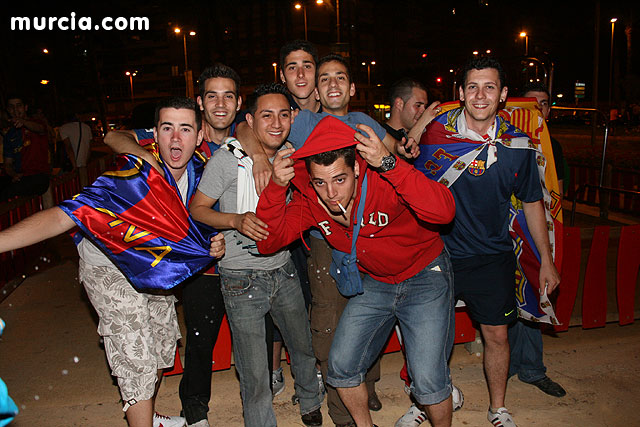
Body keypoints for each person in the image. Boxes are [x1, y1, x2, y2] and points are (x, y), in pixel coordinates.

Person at [0, 97, 226, 427]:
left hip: (153, 268)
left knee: (163, 345)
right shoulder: (132, 175)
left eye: (185, 129)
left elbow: (203, 219)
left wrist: (212, 241)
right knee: (136, 353)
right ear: (155, 134)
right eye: (167, 129)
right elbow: (64, 216)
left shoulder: (202, 171)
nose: (176, 138)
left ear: (200, 134)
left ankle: (151, 415)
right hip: (109, 265)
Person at [256, 115, 456, 427]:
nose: (331, 193)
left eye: (339, 179)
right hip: (377, 282)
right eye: (320, 182)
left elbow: (444, 212)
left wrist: (390, 163)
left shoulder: (384, 179)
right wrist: (274, 188)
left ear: (358, 168)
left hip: (424, 274)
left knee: (428, 380)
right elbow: (267, 243)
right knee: (341, 366)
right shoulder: (312, 200)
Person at [418, 57, 561, 427]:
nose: (480, 95)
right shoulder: (436, 136)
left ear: (503, 95)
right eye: (472, 87)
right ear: (460, 92)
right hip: (438, 254)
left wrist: (546, 258)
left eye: (489, 87)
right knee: (430, 337)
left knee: (497, 336)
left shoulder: (518, 145)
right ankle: (428, 401)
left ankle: (497, 408)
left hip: (492, 256)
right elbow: (410, 185)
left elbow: (532, 204)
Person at [285, 53, 423, 426]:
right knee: (330, 320)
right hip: (325, 239)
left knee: (370, 317)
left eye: (340, 77)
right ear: (315, 88)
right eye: (324, 78)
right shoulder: (303, 122)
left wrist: (408, 141)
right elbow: (252, 126)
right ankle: (341, 409)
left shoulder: (362, 122)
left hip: (368, 236)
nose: (332, 84)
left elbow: (396, 156)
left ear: (352, 86)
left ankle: (368, 385)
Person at [105, 64, 246, 427]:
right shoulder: (173, 136)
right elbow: (113, 136)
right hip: (170, 259)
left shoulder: (247, 139)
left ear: (238, 103)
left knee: (232, 335)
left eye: (228, 96)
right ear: (200, 104)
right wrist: (144, 155)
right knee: (186, 340)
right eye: (211, 96)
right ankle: (194, 411)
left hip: (225, 255)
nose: (220, 103)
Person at [189, 83, 324, 427]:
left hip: (284, 267)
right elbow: (197, 208)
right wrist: (235, 220)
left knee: (302, 347)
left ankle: (310, 400)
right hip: (241, 278)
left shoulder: (292, 155)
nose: (276, 123)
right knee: (253, 371)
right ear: (250, 120)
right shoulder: (227, 159)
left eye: (283, 114)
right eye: (267, 115)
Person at [505, 82, 566, 398]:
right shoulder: (503, 140)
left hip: (537, 230)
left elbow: (556, 193)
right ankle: (505, 366)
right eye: (528, 105)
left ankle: (531, 369)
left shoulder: (551, 146)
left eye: (541, 104)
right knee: (505, 300)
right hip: (506, 229)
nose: (536, 111)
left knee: (533, 294)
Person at [1, 95, 50, 202]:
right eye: (11, 107)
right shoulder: (9, 135)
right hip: (21, 178)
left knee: (8, 193)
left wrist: (24, 122)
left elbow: (40, 129)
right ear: (8, 110)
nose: (15, 110)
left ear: (25, 107)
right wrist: (14, 175)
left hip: (39, 176)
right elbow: (8, 163)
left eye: (19, 106)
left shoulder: (37, 123)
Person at [58, 114, 93, 186]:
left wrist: (74, 166)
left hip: (72, 165)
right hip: (83, 163)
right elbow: (89, 147)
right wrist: (85, 163)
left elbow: (68, 147)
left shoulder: (64, 128)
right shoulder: (87, 127)